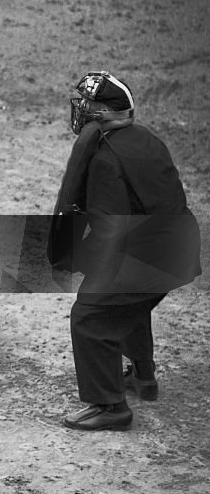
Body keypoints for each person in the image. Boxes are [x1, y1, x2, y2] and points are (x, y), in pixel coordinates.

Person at [49, 71, 201, 431]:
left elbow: (110, 228)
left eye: (87, 107)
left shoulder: (105, 158)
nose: (81, 113)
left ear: (104, 112)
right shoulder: (145, 138)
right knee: (127, 301)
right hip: (176, 250)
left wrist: (76, 264)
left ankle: (110, 405)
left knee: (90, 316)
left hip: (148, 255)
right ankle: (143, 376)